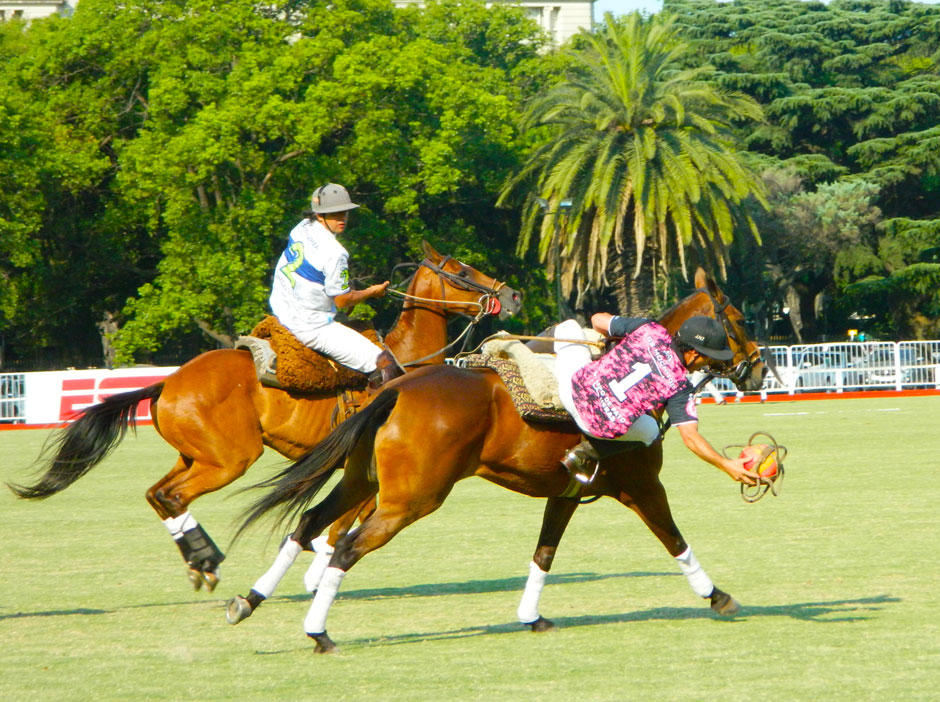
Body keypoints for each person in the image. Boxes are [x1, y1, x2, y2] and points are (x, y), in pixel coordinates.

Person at [552, 313, 758, 486]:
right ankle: (587, 452)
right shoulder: (680, 385)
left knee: (568, 327)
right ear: (694, 354)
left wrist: (609, 334)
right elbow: (691, 439)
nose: (709, 362)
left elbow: (597, 319)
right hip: (595, 427)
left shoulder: (649, 329)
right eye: (709, 357)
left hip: (572, 393)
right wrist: (726, 464)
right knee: (653, 432)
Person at [269, 183, 397, 383]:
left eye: (344, 213)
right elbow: (342, 301)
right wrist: (371, 293)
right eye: (335, 214)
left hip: (280, 306)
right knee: (386, 364)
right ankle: (371, 414)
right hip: (312, 327)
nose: (342, 219)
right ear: (319, 215)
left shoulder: (301, 227)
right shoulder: (336, 253)